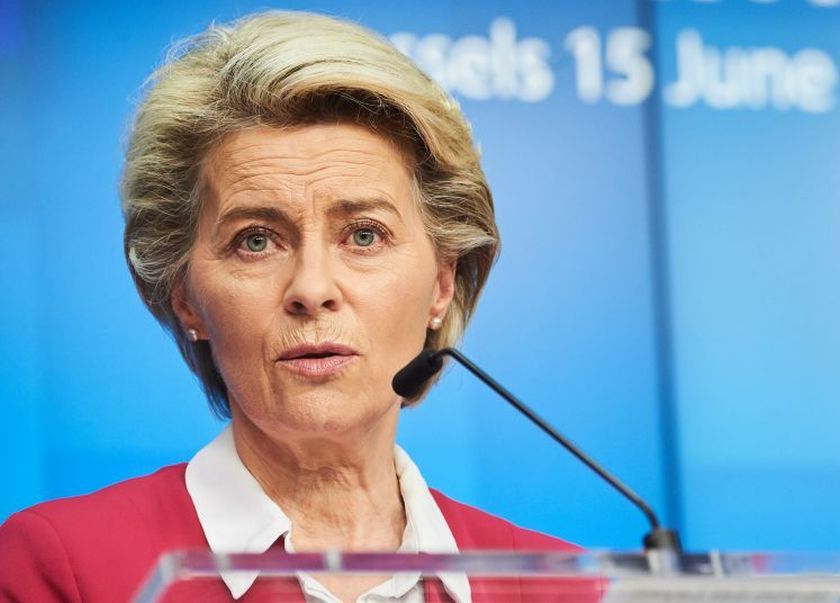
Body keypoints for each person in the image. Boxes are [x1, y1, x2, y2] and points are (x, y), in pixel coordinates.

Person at [0, 11, 602, 603]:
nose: (312, 289)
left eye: (364, 235)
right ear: (185, 297)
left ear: (442, 283)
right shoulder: (65, 567)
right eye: (256, 241)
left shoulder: (560, 590)